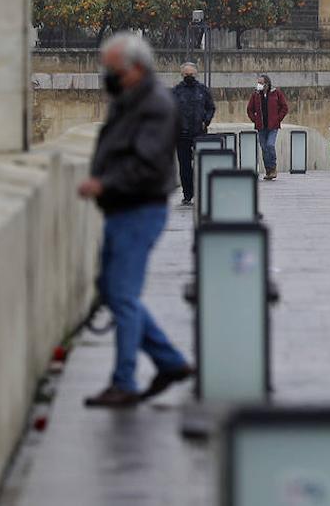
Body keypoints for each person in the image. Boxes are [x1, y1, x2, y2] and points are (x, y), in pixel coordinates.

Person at [77, 33, 194, 408]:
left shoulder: (156, 105)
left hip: (139, 208)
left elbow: (146, 164)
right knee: (113, 291)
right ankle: (170, 362)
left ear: (138, 68)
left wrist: (104, 182)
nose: (108, 76)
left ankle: (124, 381)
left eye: (114, 70)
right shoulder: (128, 100)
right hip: (121, 207)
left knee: (123, 296)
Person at [170, 61, 216, 206]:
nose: (189, 76)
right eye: (186, 74)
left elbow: (211, 108)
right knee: (184, 166)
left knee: (200, 164)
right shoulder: (176, 91)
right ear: (182, 74)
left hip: (199, 133)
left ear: (195, 74)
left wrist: (206, 121)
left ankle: (200, 192)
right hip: (181, 134)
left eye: (191, 74)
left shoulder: (203, 90)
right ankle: (187, 194)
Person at [245, 74, 289, 180]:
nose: (259, 85)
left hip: (273, 126)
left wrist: (278, 119)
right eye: (258, 82)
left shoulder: (276, 93)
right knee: (264, 148)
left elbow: (284, 107)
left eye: (261, 83)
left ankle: (273, 167)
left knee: (270, 145)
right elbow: (249, 109)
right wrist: (255, 120)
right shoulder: (255, 95)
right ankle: (268, 170)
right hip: (261, 126)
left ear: (267, 84)